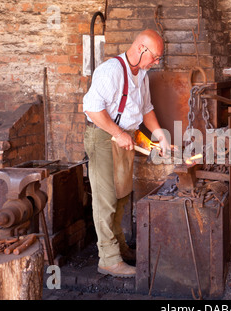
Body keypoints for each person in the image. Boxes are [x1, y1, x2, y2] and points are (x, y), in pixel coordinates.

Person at [83, 29, 169, 277]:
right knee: (106, 199)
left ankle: (119, 247)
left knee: (121, 196)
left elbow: (146, 108)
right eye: (155, 57)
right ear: (141, 48)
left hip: (124, 138)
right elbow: (91, 108)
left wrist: (159, 134)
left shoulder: (141, 74)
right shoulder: (111, 71)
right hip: (103, 137)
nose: (156, 63)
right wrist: (117, 133)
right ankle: (108, 259)